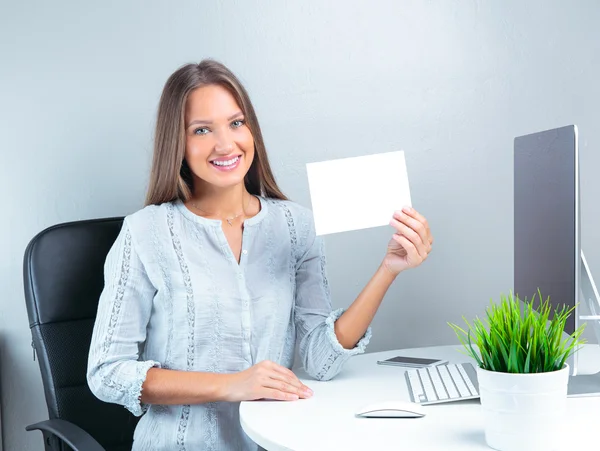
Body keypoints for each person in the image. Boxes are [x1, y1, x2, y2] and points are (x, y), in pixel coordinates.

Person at [87, 59, 433, 451]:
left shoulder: (296, 226)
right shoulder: (144, 232)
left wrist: (389, 269)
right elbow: (107, 374)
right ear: (178, 144)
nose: (226, 144)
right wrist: (232, 384)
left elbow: (321, 361)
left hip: (274, 442)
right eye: (202, 130)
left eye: (236, 123)